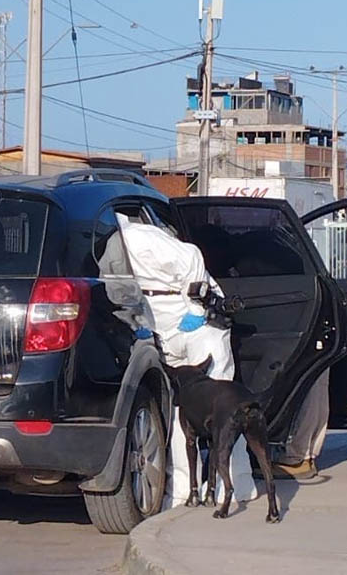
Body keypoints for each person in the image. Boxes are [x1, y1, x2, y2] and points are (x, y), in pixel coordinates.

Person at [113, 213, 258, 509]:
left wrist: (193, 307)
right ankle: (182, 490)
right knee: (181, 414)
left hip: (199, 320)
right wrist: (140, 321)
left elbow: (191, 256)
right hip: (161, 322)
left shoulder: (139, 238)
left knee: (224, 409)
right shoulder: (110, 248)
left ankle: (236, 482)